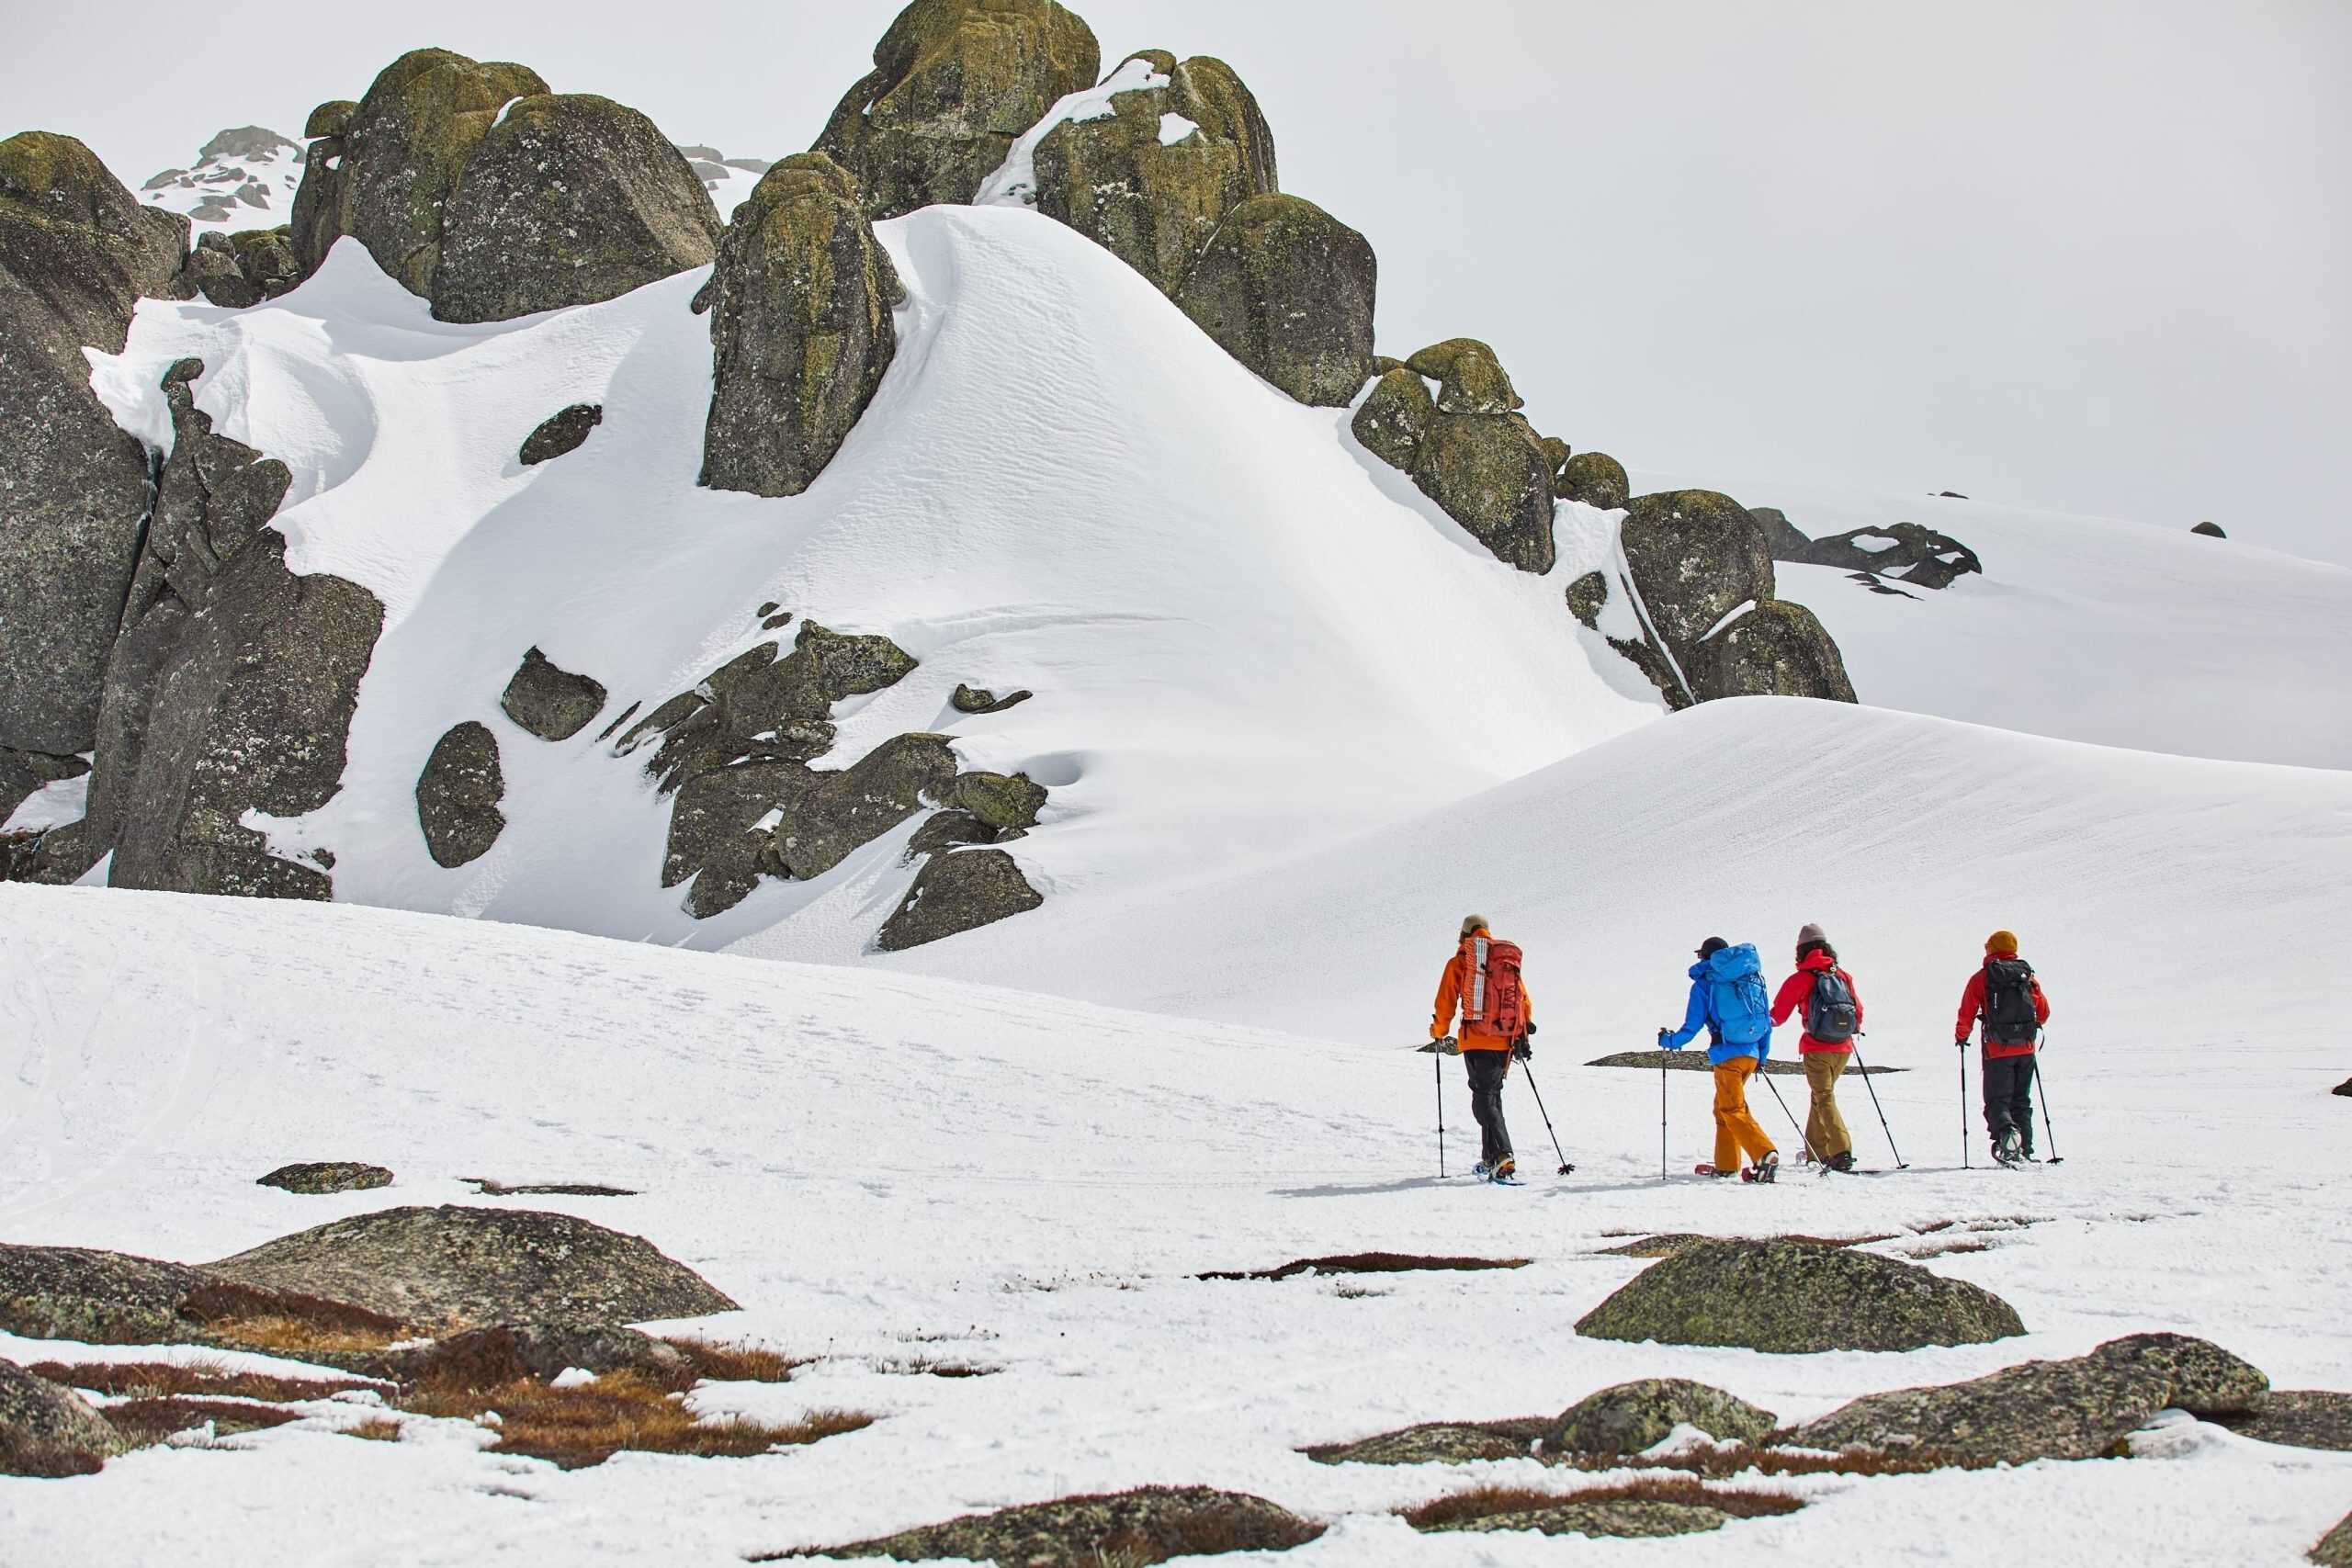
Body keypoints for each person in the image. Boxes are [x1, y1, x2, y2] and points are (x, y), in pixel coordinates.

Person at [1659, 937, 1779, 1181]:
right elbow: (1766, 1022)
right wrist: (1761, 1057)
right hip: (1751, 1054)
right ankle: (1727, 1165)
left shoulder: (1706, 984)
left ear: (1706, 957)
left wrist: (1669, 1041)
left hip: (1727, 1055)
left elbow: (1691, 1027)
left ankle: (1764, 1153)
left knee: (1731, 1109)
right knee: (1722, 1109)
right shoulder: (1750, 979)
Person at [1430, 915, 1535, 1183]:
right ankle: (1491, 1159)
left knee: (1482, 1100)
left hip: (1477, 1040)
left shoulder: (1460, 962)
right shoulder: (1504, 962)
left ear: (1464, 935)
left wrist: (1439, 1031)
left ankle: (1503, 1155)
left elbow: (1446, 1001)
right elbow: (1523, 999)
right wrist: (1521, 1034)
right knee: (1492, 1096)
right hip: (1505, 1041)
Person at [1770, 922, 1864, 1172]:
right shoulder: (1842, 975)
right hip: (1842, 1048)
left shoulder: (1801, 979)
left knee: (1823, 1097)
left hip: (1816, 1048)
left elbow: (1777, 1016)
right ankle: (1816, 1152)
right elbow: (1858, 1010)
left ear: (1801, 951)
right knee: (1820, 1096)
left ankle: (1840, 1150)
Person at [1955, 929, 2052, 1162]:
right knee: (2021, 1100)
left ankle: (2008, 1137)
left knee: (1998, 1100)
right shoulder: (2027, 977)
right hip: (2027, 1049)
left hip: (1997, 1050)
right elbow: (2044, 1012)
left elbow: (1967, 1011)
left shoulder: (1983, 977)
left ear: (1991, 949)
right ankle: (2025, 1148)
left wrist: (1961, 1036)